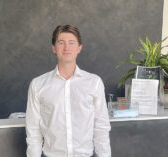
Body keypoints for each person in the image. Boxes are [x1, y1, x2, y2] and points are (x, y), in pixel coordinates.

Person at [26, 24, 111, 157]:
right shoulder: (38, 85)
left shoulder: (94, 83)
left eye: (72, 43)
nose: (66, 47)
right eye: (61, 43)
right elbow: (33, 131)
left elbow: (101, 127)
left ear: (79, 48)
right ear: (53, 48)